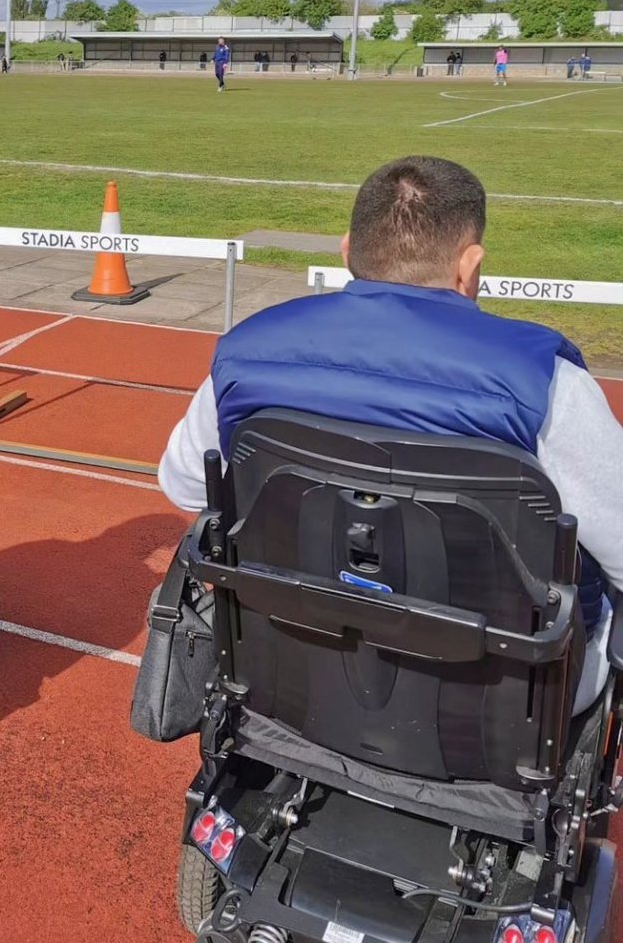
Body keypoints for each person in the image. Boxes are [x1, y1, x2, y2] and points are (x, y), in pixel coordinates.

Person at [159, 155, 623, 715]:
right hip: (505, 701)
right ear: (469, 265)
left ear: (347, 251)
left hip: (292, 659)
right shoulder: (547, 383)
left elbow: (185, 485)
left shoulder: (245, 353)